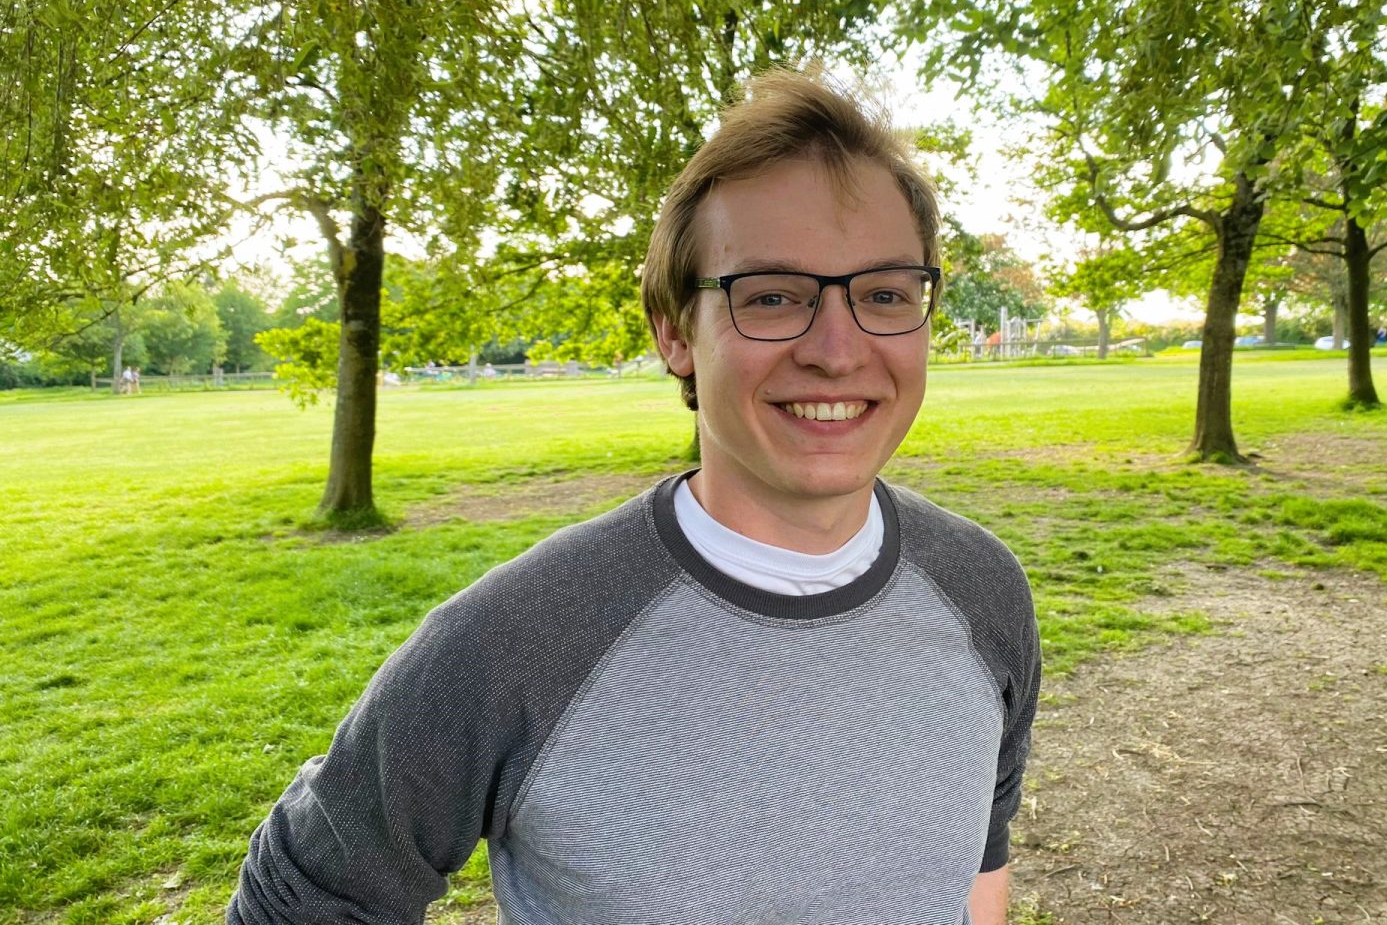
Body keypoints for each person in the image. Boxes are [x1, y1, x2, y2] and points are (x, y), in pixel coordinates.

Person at [227, 68, 1041, 925]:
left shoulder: (984, 589)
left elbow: (980, 856)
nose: (837, 351)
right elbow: (308, 894)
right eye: (771, 296)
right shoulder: (521, 637)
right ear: (675, 332)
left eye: (883, 294)